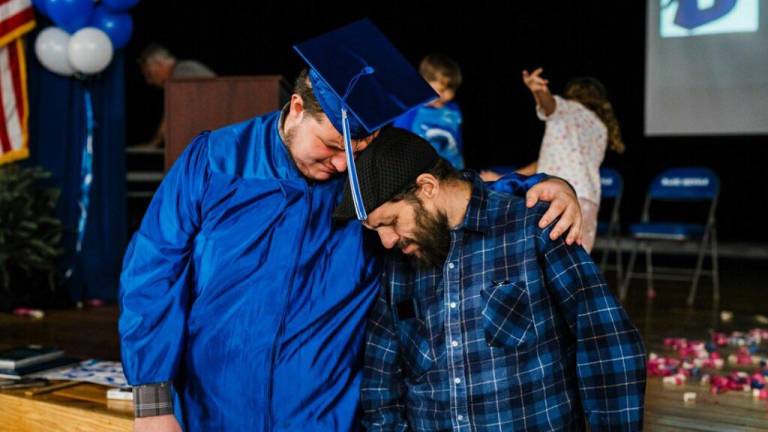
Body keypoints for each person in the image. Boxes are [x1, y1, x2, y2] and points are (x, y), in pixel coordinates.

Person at [120, 21, 583, 432]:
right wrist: (152, 399)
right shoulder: (216, 161)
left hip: (322, 408)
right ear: (297, 108)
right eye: (330, 146)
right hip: (212, 402)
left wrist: (541, 183)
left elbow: (448, 187)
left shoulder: (366, 171)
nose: (343, 165)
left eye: (356, 151)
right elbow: (153, 269)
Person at [332, 128, 646, 431]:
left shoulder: (532, 227)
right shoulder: (399, 265)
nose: (387, 241)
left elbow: (608, 345)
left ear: (427, 186)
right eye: (377, 230)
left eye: (390, 222)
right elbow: (381, 382)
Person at [484, 68, 624, 253]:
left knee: (546, 259)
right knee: (577, 260)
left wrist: (539, 90)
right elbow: (542, 163)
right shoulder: (600, 127)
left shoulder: (569, 109)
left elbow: (550, 105)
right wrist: (504, 177)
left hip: (557, 195)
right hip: (588, 200)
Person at [393, 54, 465, 169]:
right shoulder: (409, 112)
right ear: (423, 83)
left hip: (455, 169)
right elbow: (399, 145)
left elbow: (457, 143)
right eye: (441, 90)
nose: (446, 95)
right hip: (422, 171)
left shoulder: (453, 110)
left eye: (452, 89)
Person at [137, 44, 216, 148]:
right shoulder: (183, 70)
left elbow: (172, 116)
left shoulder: (182, 73)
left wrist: (152, 145)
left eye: (149, 74)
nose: (149, 82)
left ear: (159, 63)